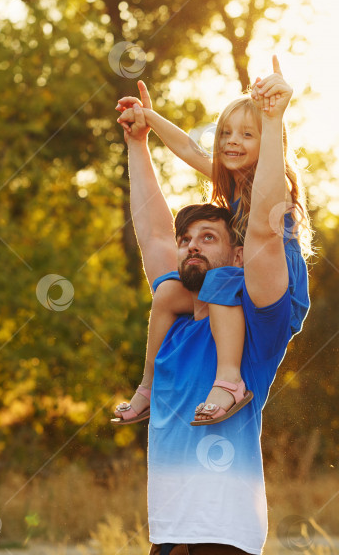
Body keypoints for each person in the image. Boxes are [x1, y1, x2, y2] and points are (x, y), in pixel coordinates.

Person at [116, 56, 311, 554]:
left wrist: (273, 119)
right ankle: (145, 386)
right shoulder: (224, 184)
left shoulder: (271, 190)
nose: (231, 144)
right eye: (227, 133)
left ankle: (229, 380)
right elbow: (179, 166)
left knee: (225, 277)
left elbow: (265, 227)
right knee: (167, 291)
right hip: (169, 532)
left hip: (273, 291)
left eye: (244, 136)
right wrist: (145, 125)